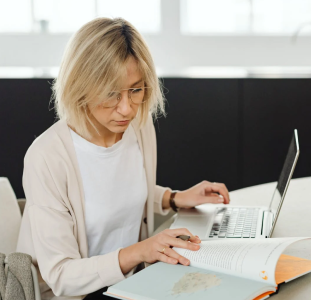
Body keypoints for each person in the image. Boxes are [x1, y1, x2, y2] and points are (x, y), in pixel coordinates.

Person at [16, 17, 230, 300]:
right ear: (80, 86)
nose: (126, 108)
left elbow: (112, 195)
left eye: (136, 90)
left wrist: (174, 198)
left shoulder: (138, 128)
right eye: (111, 94)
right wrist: (140, 251)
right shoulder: (47, 157)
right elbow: (61, 277)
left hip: (132, 285)